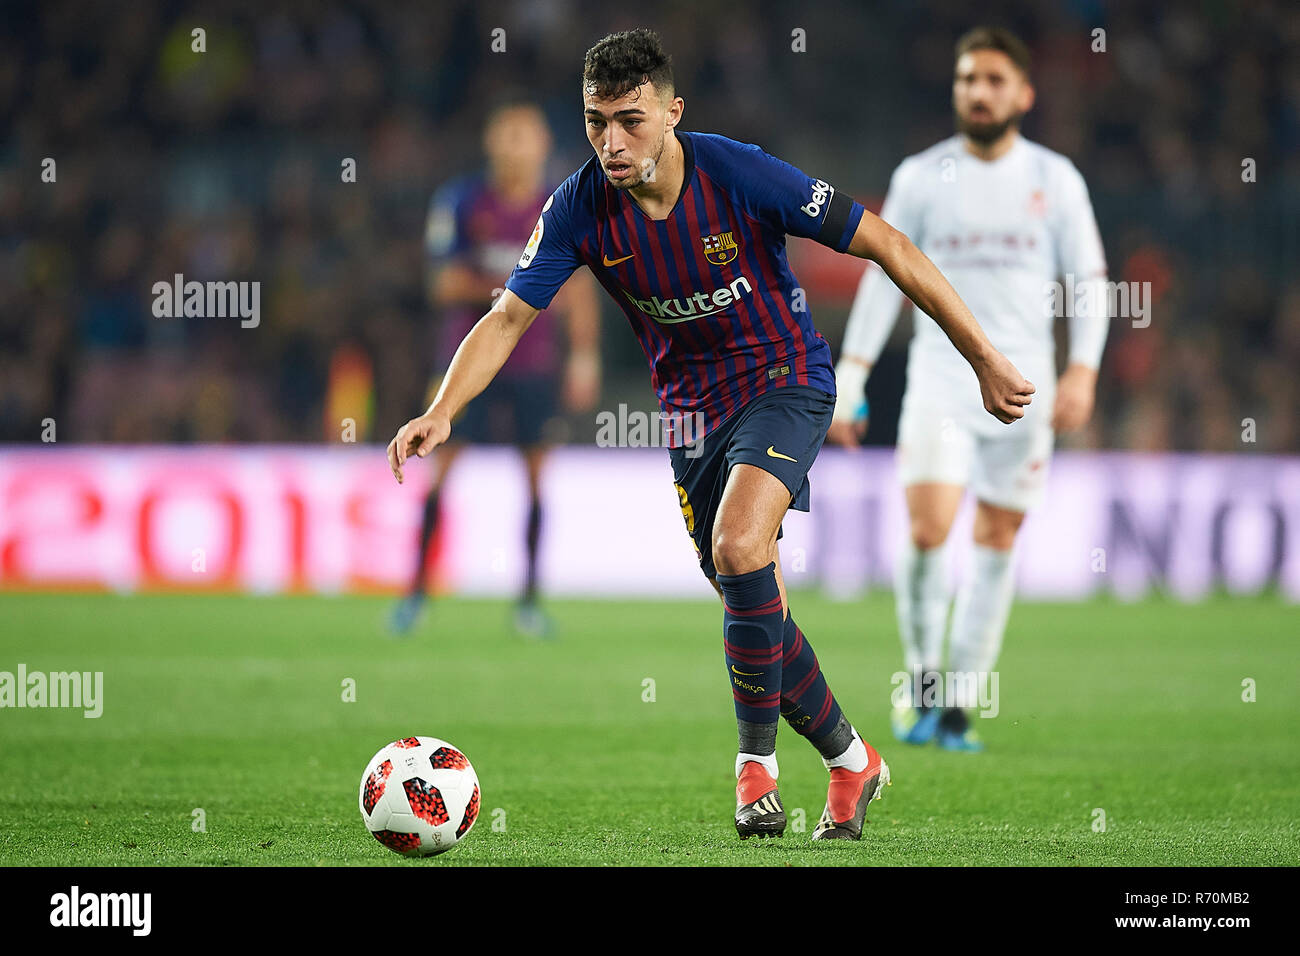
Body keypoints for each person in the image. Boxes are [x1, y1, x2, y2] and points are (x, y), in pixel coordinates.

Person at [388, 29, 1035, 839]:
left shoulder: (737, 171)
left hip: (786, 382)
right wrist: (443, 408)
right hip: (692, 415)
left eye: (630, 120)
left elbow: (888, 244)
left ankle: (753, 770)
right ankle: (852, 761)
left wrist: (982, 357)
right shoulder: (578, 207)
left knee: (737, 545)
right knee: (757, 605)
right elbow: (509, 314)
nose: (611, 142)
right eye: (595, 122)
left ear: (671, 111)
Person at [829, 27, 1108, 751]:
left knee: (997, 537)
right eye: (966, 80)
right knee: (928, 529)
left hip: (1027, 387)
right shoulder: (923, 175)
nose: (977, 92)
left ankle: (960, 703)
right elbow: (885, 275)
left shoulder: (1056, 179)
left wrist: (1082, 369)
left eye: (992, 79)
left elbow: (1090, 283)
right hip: (942, 382)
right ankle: (922, 681)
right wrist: (852, 375)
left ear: (1023, 94)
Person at [390, 101, 600, 639]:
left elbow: (578, 290)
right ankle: (415, 595)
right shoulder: (461, 202)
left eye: (524, 136)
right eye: (506, 135)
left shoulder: (562, 206)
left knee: (534, 479)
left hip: (534, 363)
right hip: (468, 361)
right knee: (441, 469)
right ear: (490, 143)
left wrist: (582, 355)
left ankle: (528, 601)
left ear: (543, 146)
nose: (515, 146)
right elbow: (441, 283)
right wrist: (516, 292)